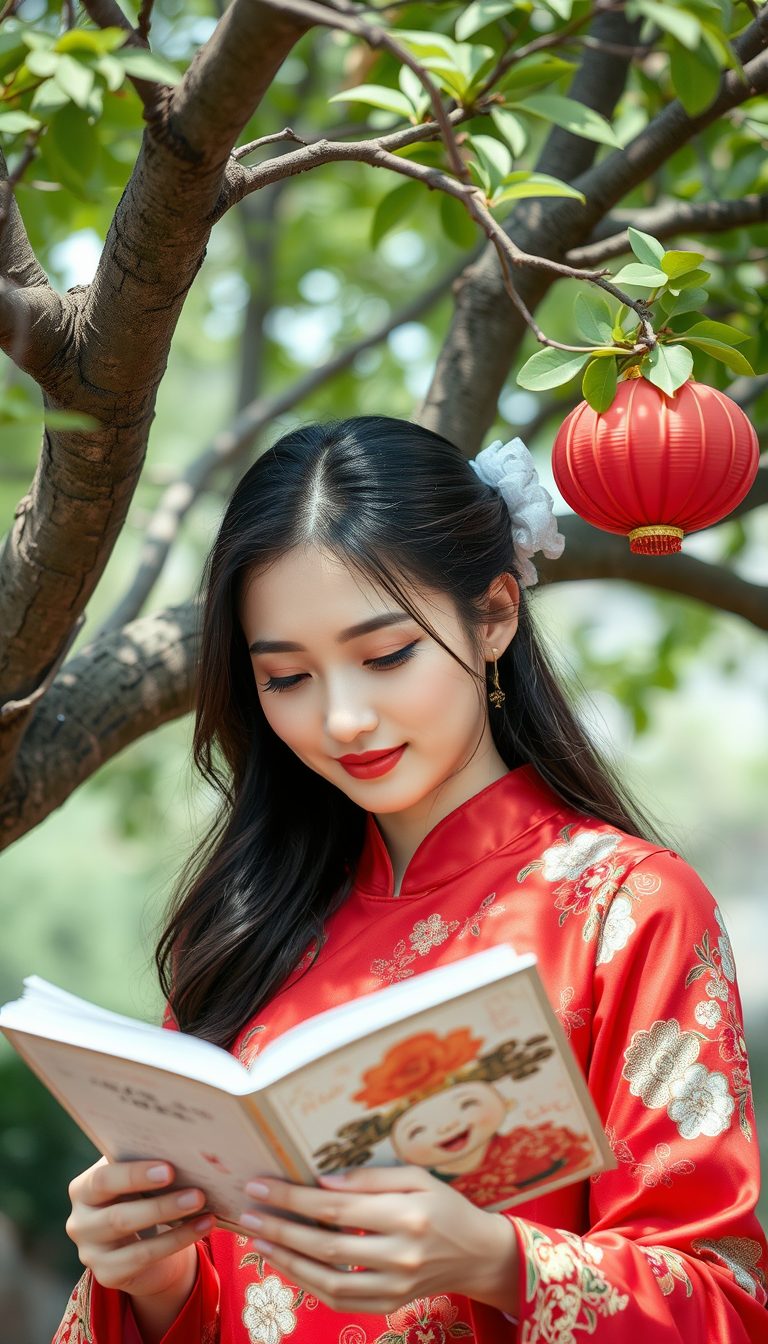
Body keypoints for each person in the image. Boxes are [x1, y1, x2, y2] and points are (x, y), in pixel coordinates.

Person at [58, 418, 767, 1344]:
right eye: (286, 677)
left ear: (496, 615)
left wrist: (496, 1260)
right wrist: (150, 1278)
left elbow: (724, 1302)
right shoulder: (241, 929)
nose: (344, 718)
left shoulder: (627, 909)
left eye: (386, 655)